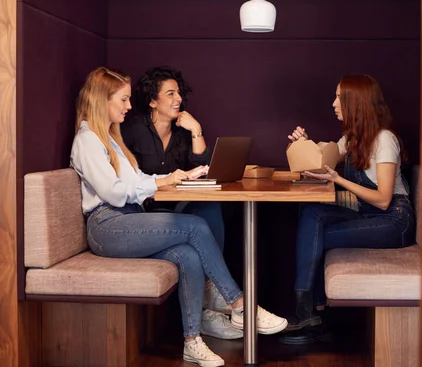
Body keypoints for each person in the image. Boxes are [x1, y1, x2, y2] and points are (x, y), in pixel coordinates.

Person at [71, 67, 288, 366]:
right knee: (196, 227)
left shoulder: (110, 140)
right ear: (101, 100)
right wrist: (160, 182)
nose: (128, 106)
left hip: (127, 220)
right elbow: (114, 192)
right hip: (107, 226)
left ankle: (191, 340)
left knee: (188, 255)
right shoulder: (87, 140)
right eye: (123, 99)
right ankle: (240, 304)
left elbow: (137, 178)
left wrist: (177, 176)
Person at [279, 74, 416, 345]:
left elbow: (384, 199)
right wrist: (305, 143)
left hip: (395, 221)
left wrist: (339, 179)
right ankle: (310, 313)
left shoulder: (384, 139)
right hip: (370, 214)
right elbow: (324, 160)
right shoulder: (352, 137)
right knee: (311, 214)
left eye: (339, 98)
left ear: (356, 102)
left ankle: (310, 314)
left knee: (315, 240)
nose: (333, 104)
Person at [120, 66, 238, 340]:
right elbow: (127, 178)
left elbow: (202, 166)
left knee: (210, 207)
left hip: (175, 210)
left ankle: (211, 302)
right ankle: (218, 302)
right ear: (152, 100)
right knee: (198, 225)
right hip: (143, 213)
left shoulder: (183, 133)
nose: (178, 100)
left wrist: (196, 129)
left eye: (179, 94)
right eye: (170, 94)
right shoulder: (132, 129)